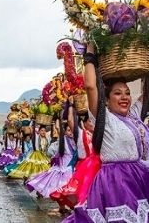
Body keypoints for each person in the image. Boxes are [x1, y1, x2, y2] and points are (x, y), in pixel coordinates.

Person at [63, 42, 149, 222]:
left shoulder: (133, 116)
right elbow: (91, 87)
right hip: (117, 184)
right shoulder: (105, 119)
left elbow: (147, 94)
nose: (124, 97)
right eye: (118, 93)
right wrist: (90, 53)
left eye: (127, 93)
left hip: (140, 179)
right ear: (107, 100)